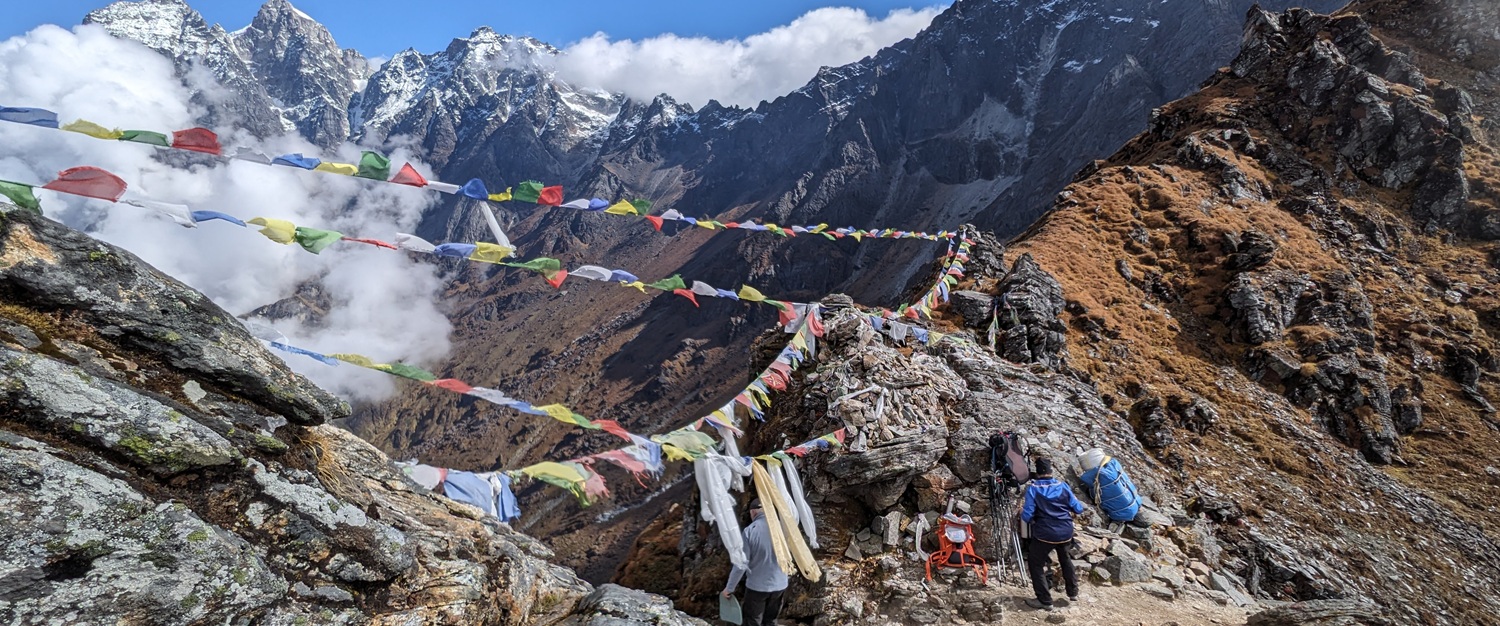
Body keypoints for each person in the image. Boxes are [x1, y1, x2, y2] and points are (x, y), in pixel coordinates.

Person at [1020, 457, 1085, 611]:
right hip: (1065, 531)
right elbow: (1078, 508)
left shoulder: (1033, 489)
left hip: (1045, 533)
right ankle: (1073, 592)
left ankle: (1045, 600)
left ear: (1037, 473)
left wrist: (1026, 515)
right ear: (1051, 471)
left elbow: (1027, 516)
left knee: (1035, 563)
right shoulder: (1063, 486)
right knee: (1065, 558)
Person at [722, 499, 788, 626]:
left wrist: (729, 588)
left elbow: (741, 564)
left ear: (753, 512)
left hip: (757, 588)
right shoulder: (783, 528)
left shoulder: (750, 531)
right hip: (780, 585)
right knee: (771, 621)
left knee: (753, 622)